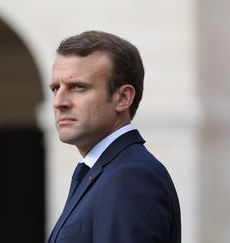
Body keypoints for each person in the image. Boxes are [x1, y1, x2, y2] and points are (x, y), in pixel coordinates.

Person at [47, 31, 181, 243]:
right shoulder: (104, 171)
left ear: (123, 98)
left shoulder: (131, 176)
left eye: (78, 87)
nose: (59, 102)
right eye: (56, 88)